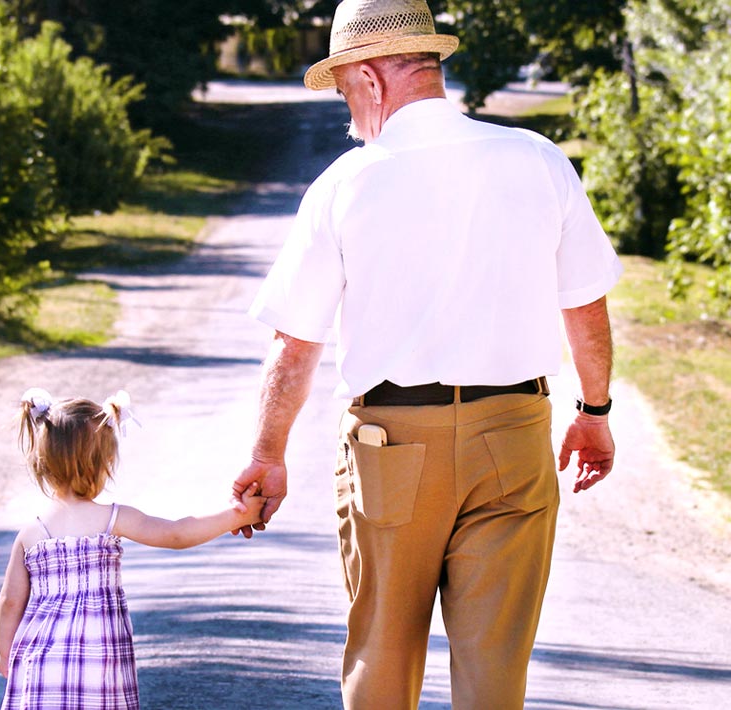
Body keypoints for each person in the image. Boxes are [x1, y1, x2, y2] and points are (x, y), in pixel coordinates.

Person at [228, 0, 623, 707]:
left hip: (391, 447)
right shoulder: (537, 159)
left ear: (373, 81)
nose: (347, 112)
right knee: (495, 665)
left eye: (346, 90)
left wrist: (268, 454)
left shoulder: (344, 185)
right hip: (514, 434)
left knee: (382, 653)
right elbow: (585, 306)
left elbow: (294, 346)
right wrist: (594, 410)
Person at [0, 388, 265, 709]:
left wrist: (6, 654)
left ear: (44, 463)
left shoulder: (30, 534)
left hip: (40, 667)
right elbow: (177, 534)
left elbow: (10, 602)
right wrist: (237, 514)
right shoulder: (112, 519)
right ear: (102, 465)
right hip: (99, 669)